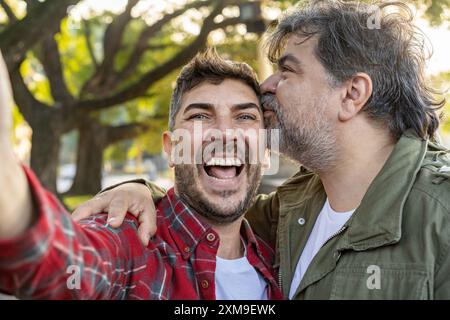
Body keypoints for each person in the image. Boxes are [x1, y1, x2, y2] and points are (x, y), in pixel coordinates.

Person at [74, 1, 450, 299]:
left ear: (351, 94)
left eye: (287, 71)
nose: (267, 85)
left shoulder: (441, 216)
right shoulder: (287, 209)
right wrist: (138, 189)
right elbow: (207, 207)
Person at [0, 49, 282, 300]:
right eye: (199, 116)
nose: (224, 133)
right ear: (171, 149)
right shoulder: (132, 240)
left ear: (266, 151)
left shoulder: (281, 257)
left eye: (245, 117)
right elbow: (67, 268)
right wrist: (12, 199)